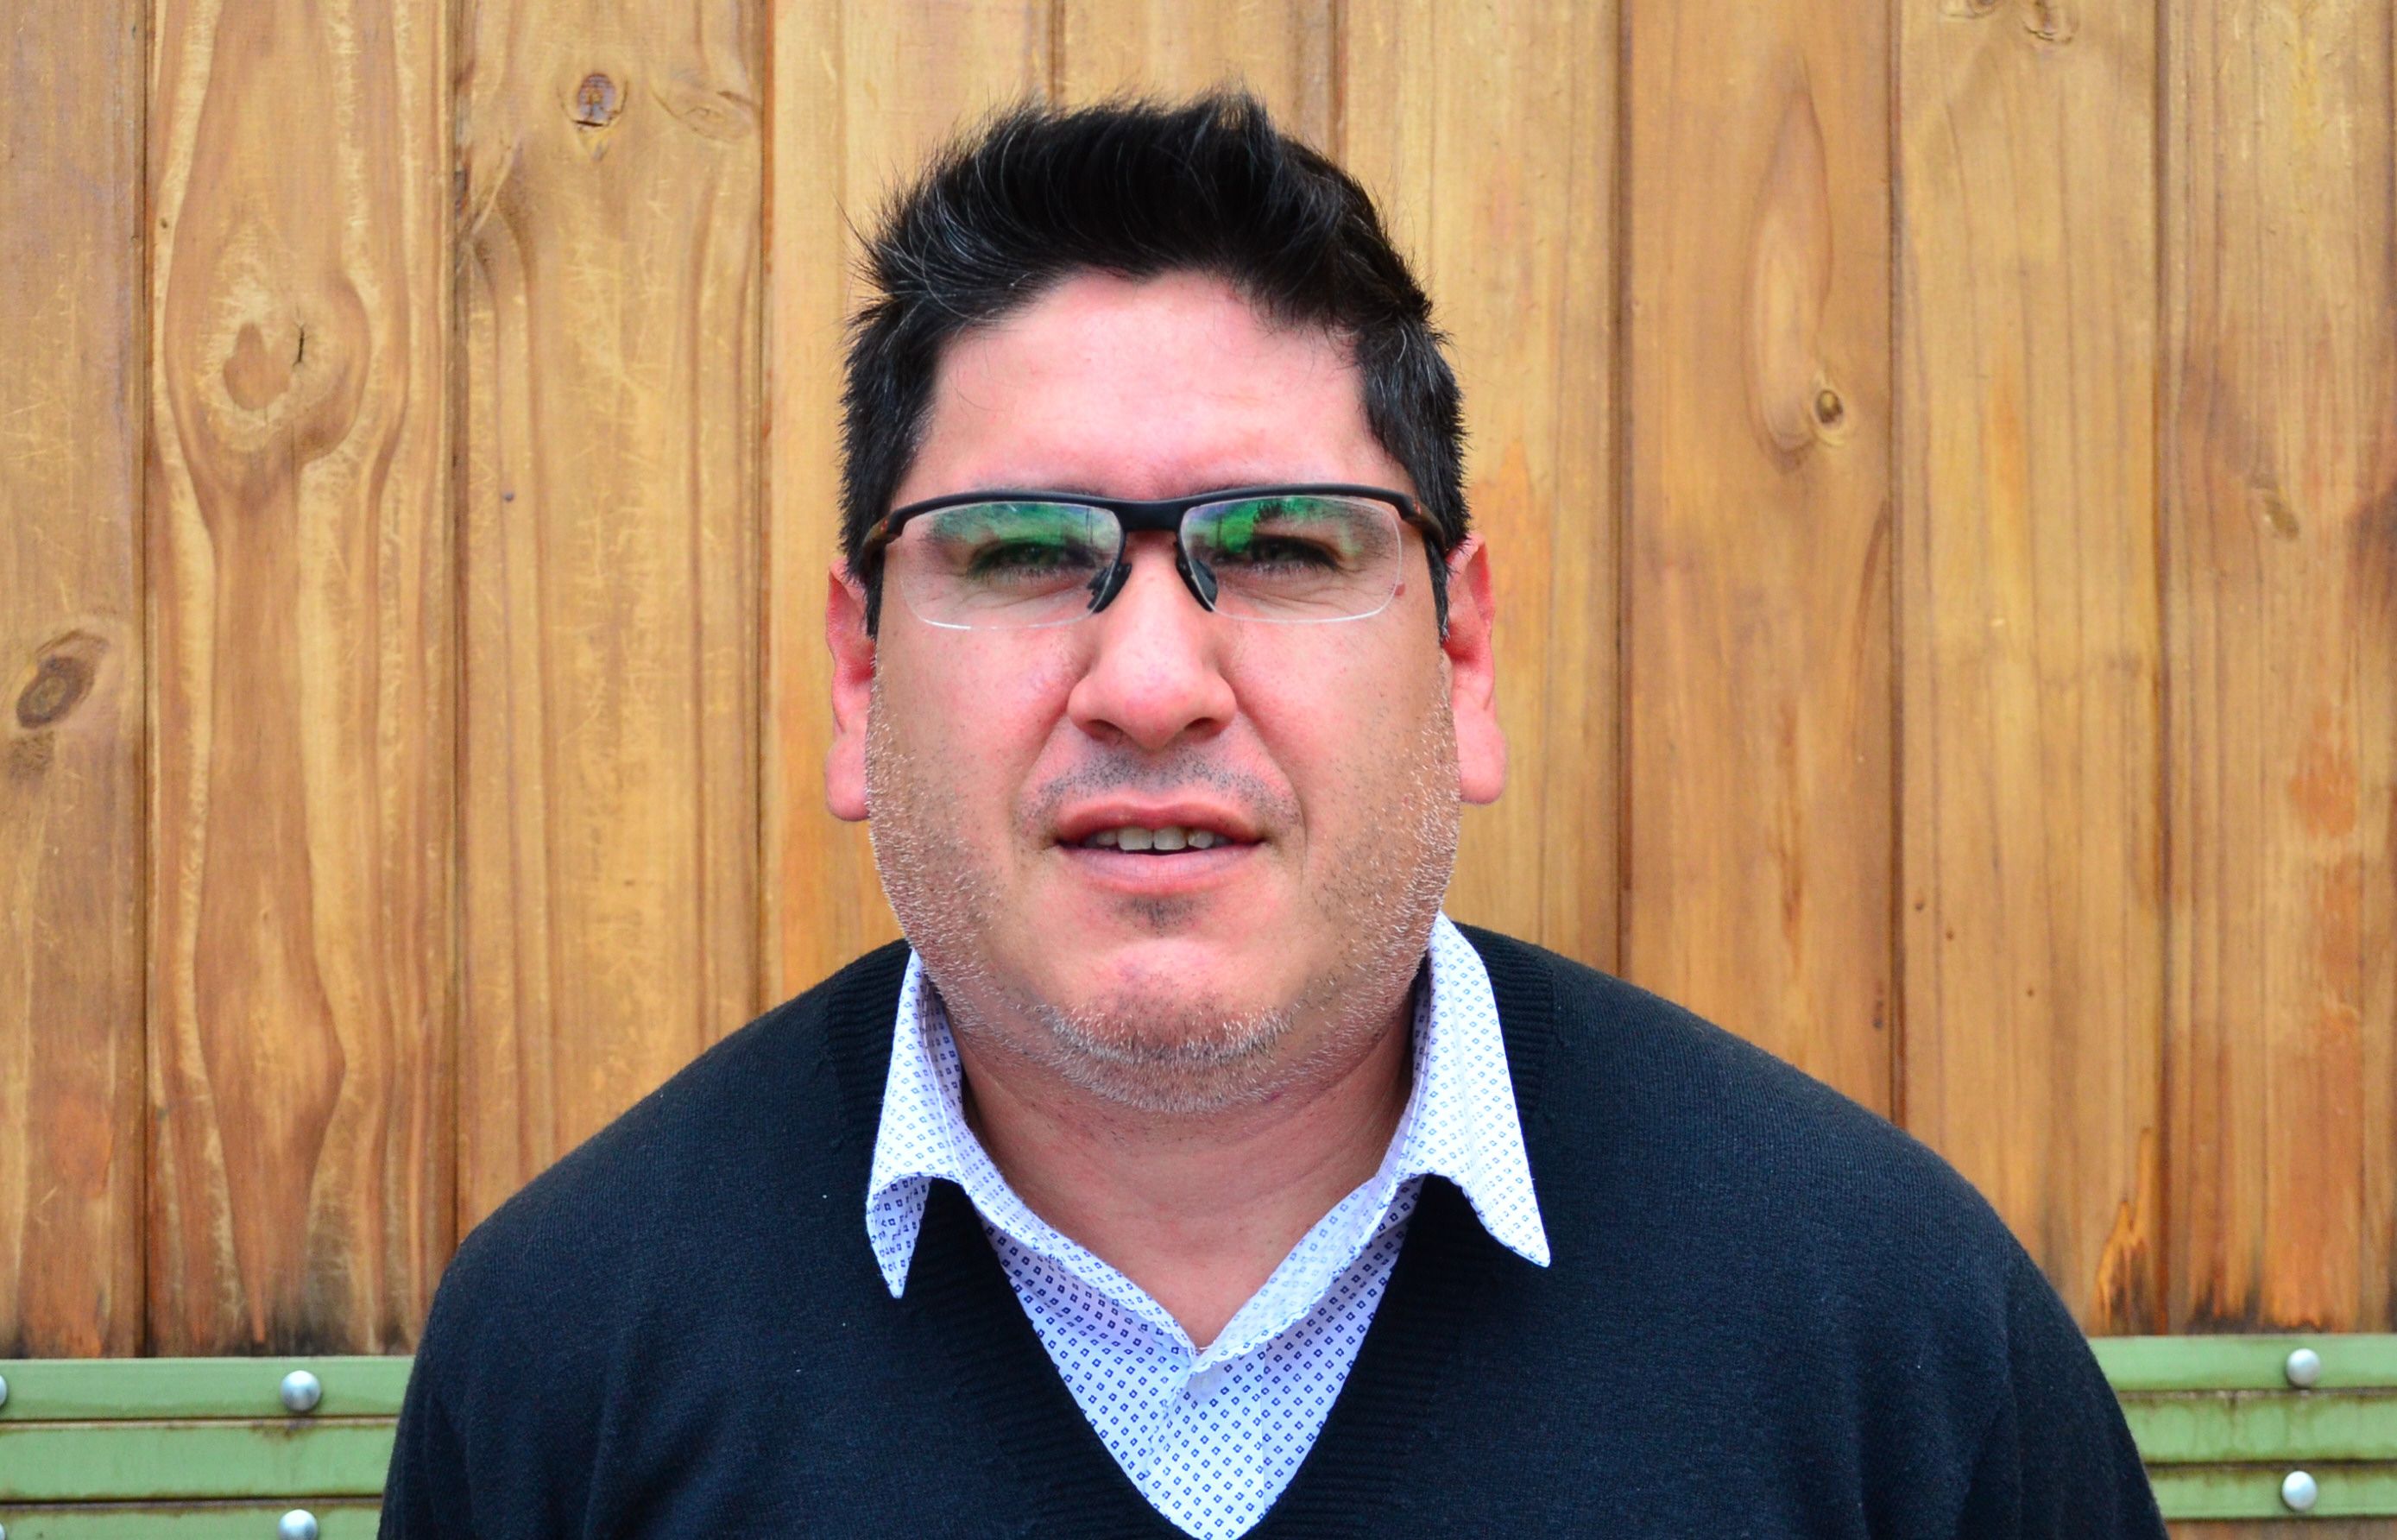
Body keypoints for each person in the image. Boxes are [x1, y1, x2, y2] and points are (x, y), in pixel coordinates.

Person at [382, 92, 2165, 1537]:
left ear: (1462, 654)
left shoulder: (1892, 1337)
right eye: (1021, 553)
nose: (1152, 681)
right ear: (859, 678)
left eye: (1289, 546)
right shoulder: (567, 1353)